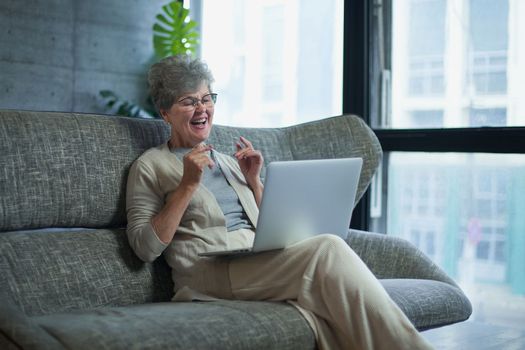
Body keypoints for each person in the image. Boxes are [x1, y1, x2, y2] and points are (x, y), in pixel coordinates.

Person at [126, 55, 433, 350]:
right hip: (207, 272)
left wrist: (255, 182)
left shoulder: (229, 162)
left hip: (256, 259)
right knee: (328, 248)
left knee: (324, 307)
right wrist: (187, 185)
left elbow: (273, 226)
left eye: (207, 98)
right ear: (165, 113)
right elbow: (145, 247)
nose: (201, 108)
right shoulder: (151, 165)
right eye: (188, 101)